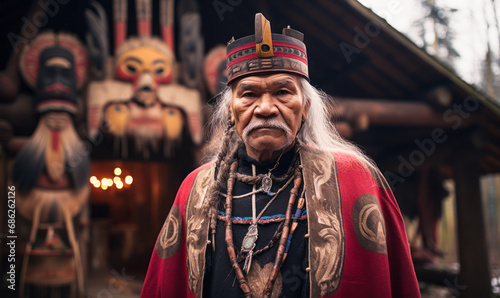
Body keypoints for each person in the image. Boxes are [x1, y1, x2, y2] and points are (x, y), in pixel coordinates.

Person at [141, 13, 420, 298]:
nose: (265, 108)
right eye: (249, 94)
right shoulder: (195, 188)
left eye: (283, 91)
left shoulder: (356, 178)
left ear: (306, 107)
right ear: (230, 111)